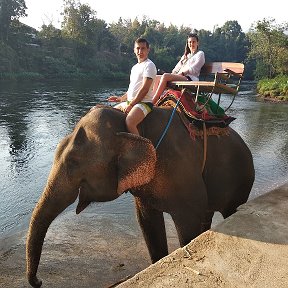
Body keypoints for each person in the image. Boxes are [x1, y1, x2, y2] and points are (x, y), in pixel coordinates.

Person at [108, 38, 157, 135]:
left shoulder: (149, 65)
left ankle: (141, 148)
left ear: (148, 50)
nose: (140, 51)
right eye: (138, 48)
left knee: (130, 122)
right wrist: (120, 98)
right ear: (134, 50)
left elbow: (144, 89)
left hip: (144, 103)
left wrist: (131, 105)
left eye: (143, 48)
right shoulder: (134, 68)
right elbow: (131, 90)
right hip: (130, 102)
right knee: (108, 113)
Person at [152, 33, 205, 104]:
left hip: (190, 78)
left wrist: (182, 73)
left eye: (193, 42)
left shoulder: (200, 54)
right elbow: (176, 68)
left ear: (197, 43)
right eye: (189, 42)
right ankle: (154, 97)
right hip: (180, 76)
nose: (191, 44)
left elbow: (195, 68)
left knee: (165, 76)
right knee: (157, 77)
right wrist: (173, 74)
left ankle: (153, 101)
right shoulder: (186, 56)